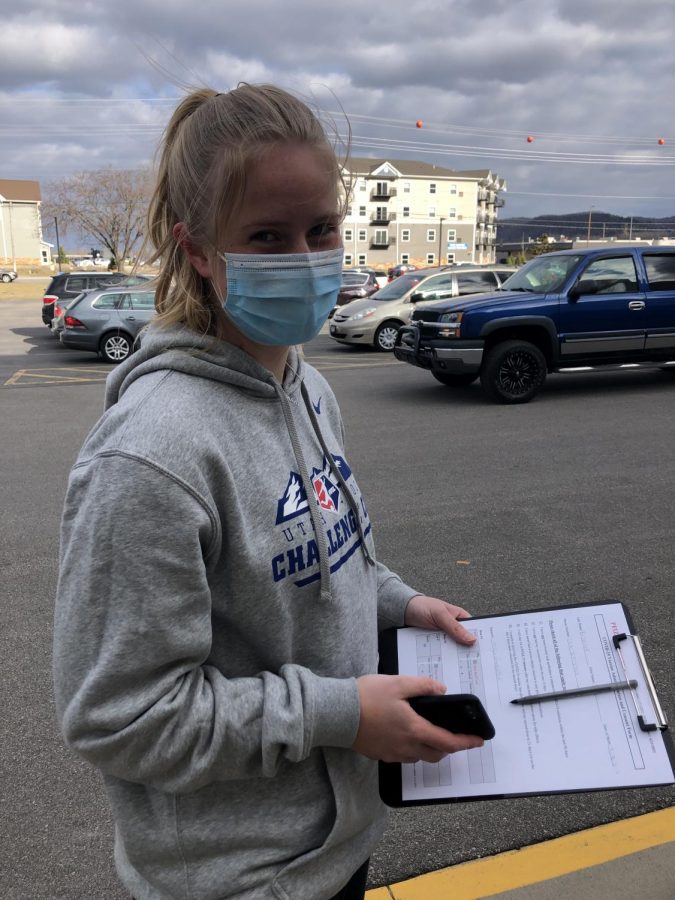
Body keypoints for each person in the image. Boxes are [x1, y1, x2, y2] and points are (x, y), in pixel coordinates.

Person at [53, 83, 483, 900]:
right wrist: (340, 715)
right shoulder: (150, 456)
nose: (305, 257)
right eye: (265, 236)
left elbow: (322, 554)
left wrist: (400, 602)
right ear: (200, 248)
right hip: (235, 879)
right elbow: (118, 716)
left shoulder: (307, 388)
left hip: (337, 846)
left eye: (320, 229)